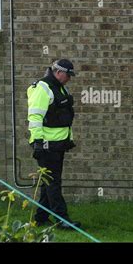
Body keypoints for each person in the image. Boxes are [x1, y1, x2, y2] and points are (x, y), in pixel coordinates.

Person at [27, 59, 80, 230]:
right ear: (59, 72)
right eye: (68, 75)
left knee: (48, 182)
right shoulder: (43, 88)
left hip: (58, 144)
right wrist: (37, 143)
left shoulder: (58, 87)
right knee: (53, 182)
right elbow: (35, 117)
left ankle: (40, 218)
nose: (69, 79)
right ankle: (61, 219)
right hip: (46, 145)